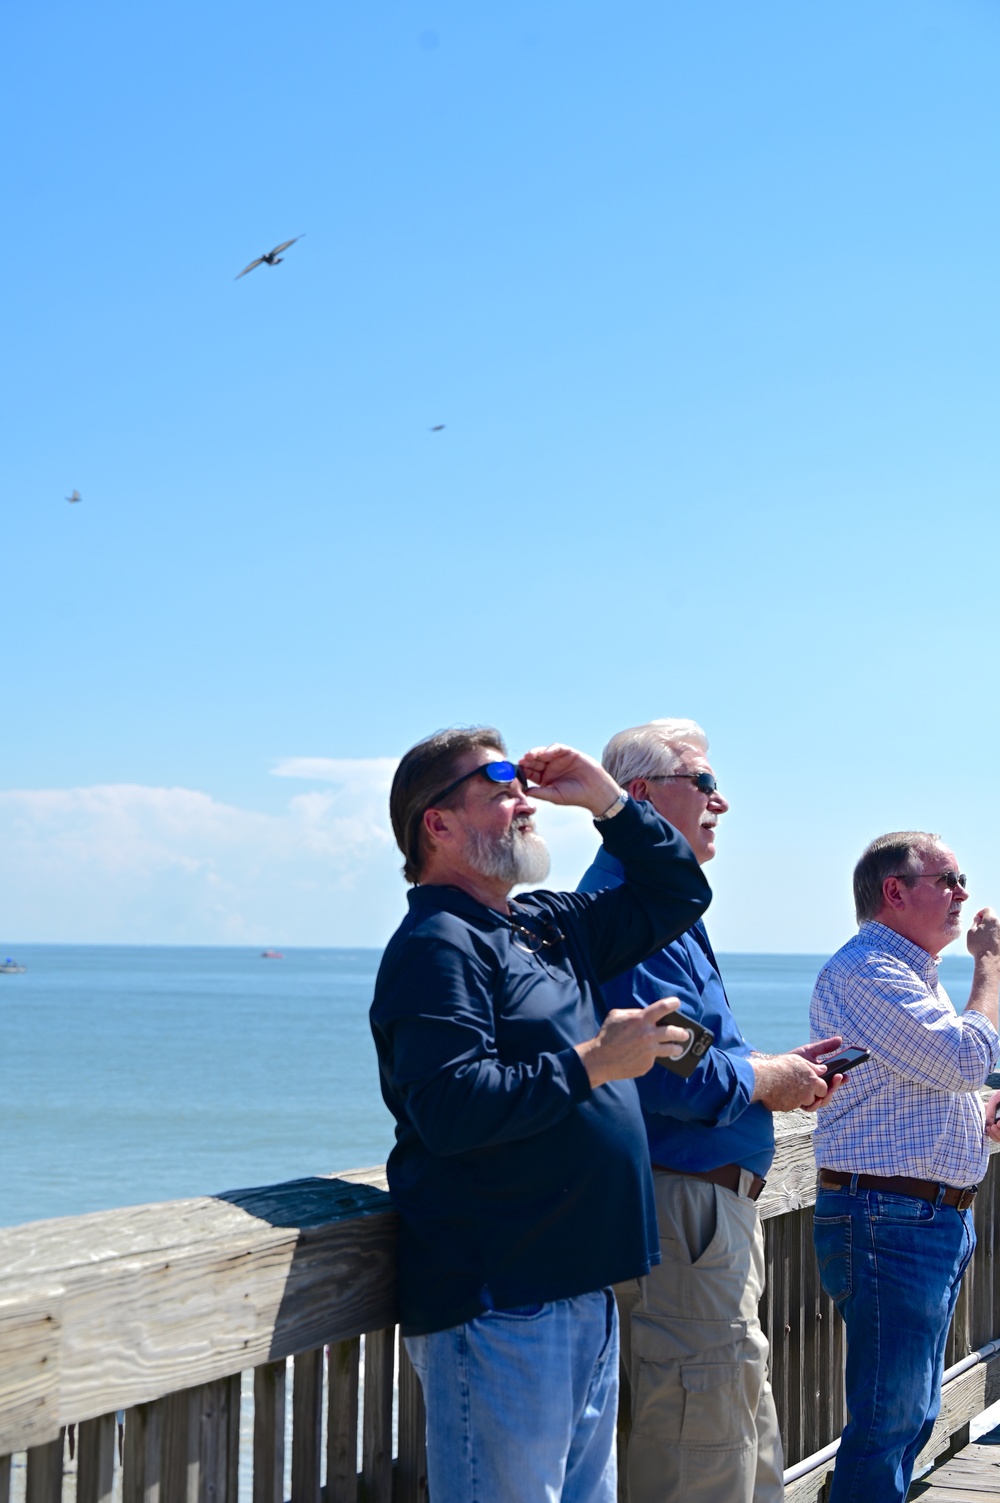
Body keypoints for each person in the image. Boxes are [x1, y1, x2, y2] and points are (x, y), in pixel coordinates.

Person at [370, 727, 714, 1503]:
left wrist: (606, 798)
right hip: (500, 1306)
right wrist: (596, 1062)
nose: (525, 803)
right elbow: (451, 1106)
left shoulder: (545, 924)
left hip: (583, 1291)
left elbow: (679, 889)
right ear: (439, 824)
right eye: (499, 793)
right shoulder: (437, 945)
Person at [577, 718, 840, 1503]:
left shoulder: (654, 906)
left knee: (731, 1432)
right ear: (641, 797)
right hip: (682, 1208)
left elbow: (689, 1050)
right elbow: (664, 1060)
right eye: (705, 783)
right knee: (700, 1445)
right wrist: (765, 1078)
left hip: (699, 1208)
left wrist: (772, 1071)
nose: (720, 801)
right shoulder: (627, 904)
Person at [811, 831, 1000, 1503]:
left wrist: (981, 1113)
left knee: (908, 1415)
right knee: (888, 1421)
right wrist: (991, 967)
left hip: (918, 1217)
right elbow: (959, 1059)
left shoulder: (909, 973)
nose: (963, 892)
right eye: (948, 879)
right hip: (888, 1218)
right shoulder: (870, 969)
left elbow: (926, 1089)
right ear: (894, 891)